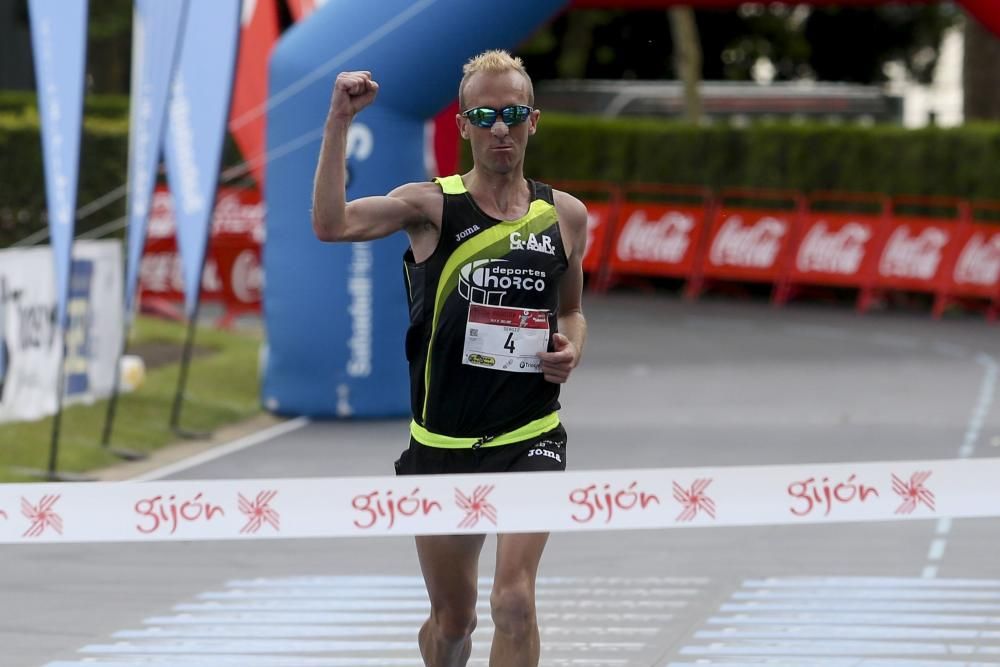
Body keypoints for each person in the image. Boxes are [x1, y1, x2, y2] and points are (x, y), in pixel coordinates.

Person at [311, 50, 587, 667]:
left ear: (533, 121)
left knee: (513, 601)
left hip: (531, 436)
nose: (499, 128)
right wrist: (338, 122)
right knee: (453, 620)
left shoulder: (565, 216)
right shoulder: (431, 206)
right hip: (442, 446)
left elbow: (571, 312)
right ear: (462, 124)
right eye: (484, 115)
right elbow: (330, 225)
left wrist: (572, 348)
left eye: (512, 114)